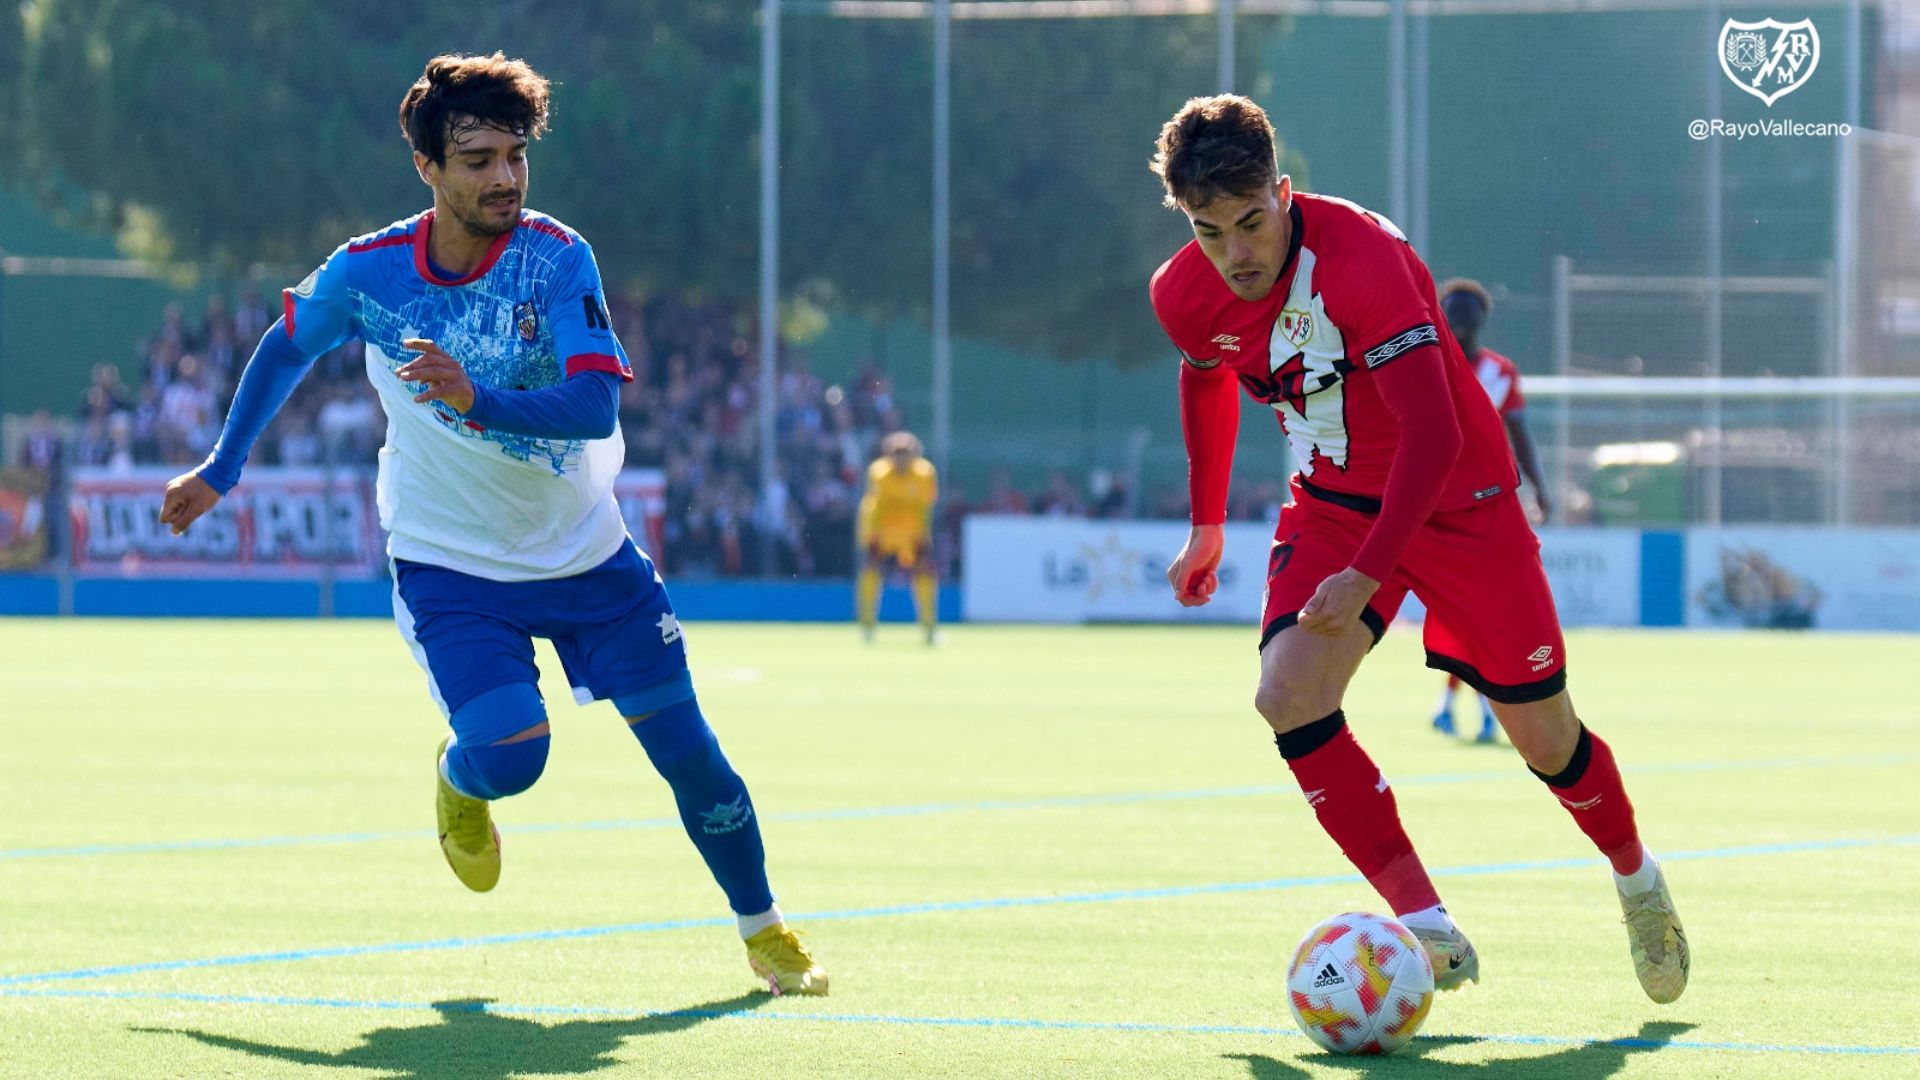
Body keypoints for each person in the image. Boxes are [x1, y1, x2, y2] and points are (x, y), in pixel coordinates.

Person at [157, 53, 825, 997]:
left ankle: (765, 932)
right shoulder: (370, 275)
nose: (504, 178)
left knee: (693, 760)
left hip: (589, 554)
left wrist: (477, 397)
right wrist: (221, 469)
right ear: (428, 168)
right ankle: (461, 782)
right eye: (476, 159)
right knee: (514, 755)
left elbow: (594, 408)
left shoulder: (559, 256)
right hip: (451, 564)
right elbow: (285, 344)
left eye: (515, 155)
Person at [1147, 94, 1686, 1003]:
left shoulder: (1363, 263)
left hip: (1461, 500)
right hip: (1333, 505)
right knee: (1286, 695)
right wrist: (1206, 524)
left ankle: (1637, 879)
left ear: (1284, 193)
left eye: (1252, 222)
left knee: (1546, 740)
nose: (1237, 254)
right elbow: (1203, 376)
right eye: (1210, 232)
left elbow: (1432, 437)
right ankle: (1428, 929)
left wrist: (1366, 575)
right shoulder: (1181, 293)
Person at [1428, 278, 1551, 744]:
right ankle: (1473, 708)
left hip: (1482, 506)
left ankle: (1464, 707)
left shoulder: (1500, 372)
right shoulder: (1421, 358)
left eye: (1465, 315)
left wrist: (1539, 488)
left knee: (1481, 615)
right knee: (1467, 616)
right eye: (1451, 313)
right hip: (1426, 506)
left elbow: (1520, 436)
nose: (1458, 323)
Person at [855, 430, 939, 644]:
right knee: (871, 572)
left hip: (911, 532)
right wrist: (869, 536)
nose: (901, 458)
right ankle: (867, 625)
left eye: (906, 453)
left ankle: (929, 626)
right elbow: (872, 507)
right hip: (884, 531)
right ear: (888, 455)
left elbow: (925, 507)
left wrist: (924, 535)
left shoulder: (925, 473)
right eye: (897, 453)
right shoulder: (878, 473)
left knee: (925, 574)